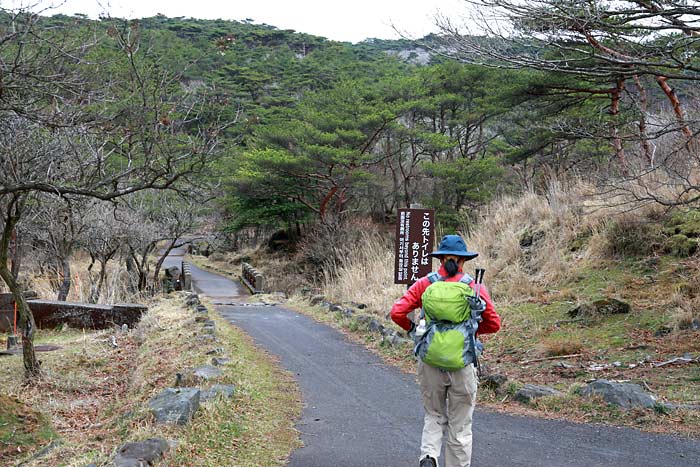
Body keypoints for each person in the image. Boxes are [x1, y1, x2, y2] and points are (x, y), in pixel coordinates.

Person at [391, 234, 501, 467]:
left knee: (434, 414)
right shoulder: (474, 286)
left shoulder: (425, 284)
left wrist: (413, 329)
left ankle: (429, 456)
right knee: (460, 424)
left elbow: (397, 312)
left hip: (430, 360)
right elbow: (494, 323)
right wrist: (468, 331)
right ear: (463, 261)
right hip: (462, 362)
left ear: (440, 259)